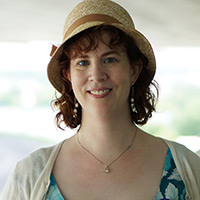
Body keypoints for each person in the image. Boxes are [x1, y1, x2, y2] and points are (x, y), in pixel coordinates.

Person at [1, 0, 200, 199]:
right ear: (68, 75)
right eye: (83, 62)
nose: (96, 74)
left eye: (110, 59)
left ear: (134, 69)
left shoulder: (187, 167)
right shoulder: (30, 175)